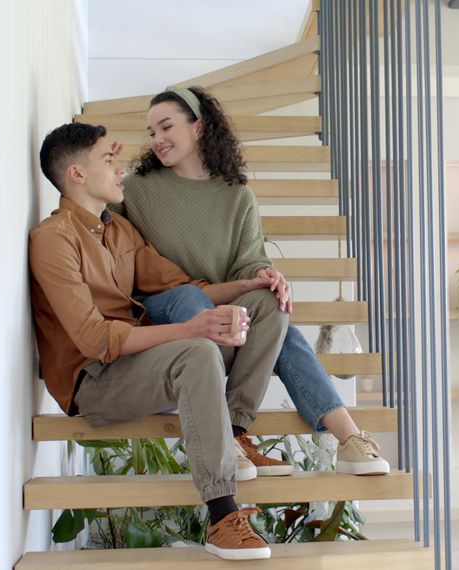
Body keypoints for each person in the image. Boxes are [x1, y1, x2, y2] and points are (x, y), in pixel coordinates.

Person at [111, 85, 389, 477]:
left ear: (199, 128)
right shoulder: (138, 189)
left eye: (166, 127)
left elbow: (248, 263)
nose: (156, 139)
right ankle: (336, 433)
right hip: (164, 313)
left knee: (273, 305)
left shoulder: (237, 196)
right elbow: (101, 230)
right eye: (151, 132)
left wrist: (267, 277)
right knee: (193, 299)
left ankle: (239, 430)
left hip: (223, 319)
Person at [30, 122, 273, 560]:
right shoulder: (53, 241)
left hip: (139, 361)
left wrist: (252, 286)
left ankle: (235, 431)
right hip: (93, 380)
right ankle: (221, 515)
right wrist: (189, 330)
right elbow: (95, 339)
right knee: (197, 352)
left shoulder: (119, 232)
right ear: (77, 174)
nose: (120, 169)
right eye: (108, 160)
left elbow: (184, 286)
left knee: (266, 303)